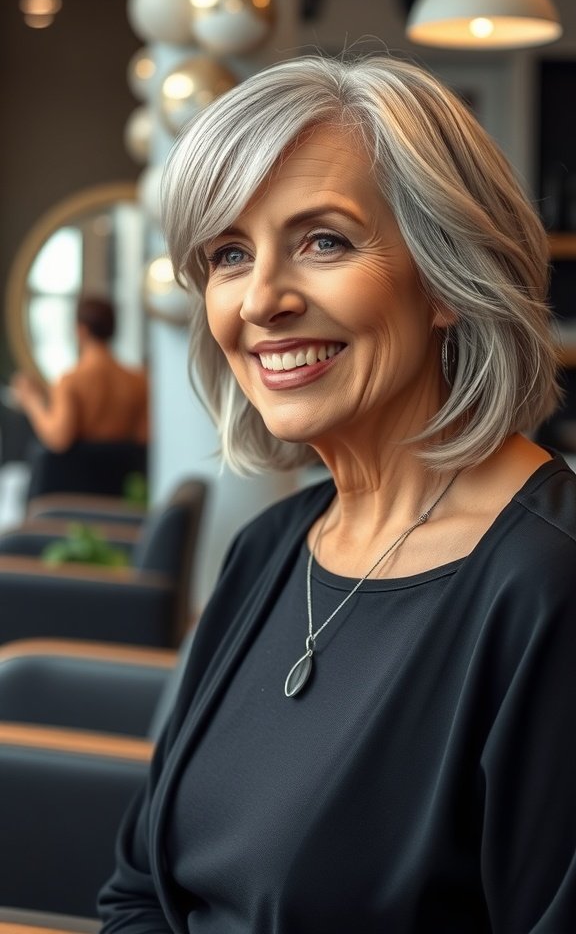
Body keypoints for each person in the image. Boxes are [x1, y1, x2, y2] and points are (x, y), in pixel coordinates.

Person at [98, 55, 576, 933]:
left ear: (443, 276)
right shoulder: (271, 547)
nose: (263, 301)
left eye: (325, 240)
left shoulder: (548, 588)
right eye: (230, 255)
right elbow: (139, 892)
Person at [10, 294, 149, 452]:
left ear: (81, 330)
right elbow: (144, 436)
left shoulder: (71, 382)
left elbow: (58, 439)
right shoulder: (139, 381)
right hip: (124, 474)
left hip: (75, 475)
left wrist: (32, 401)